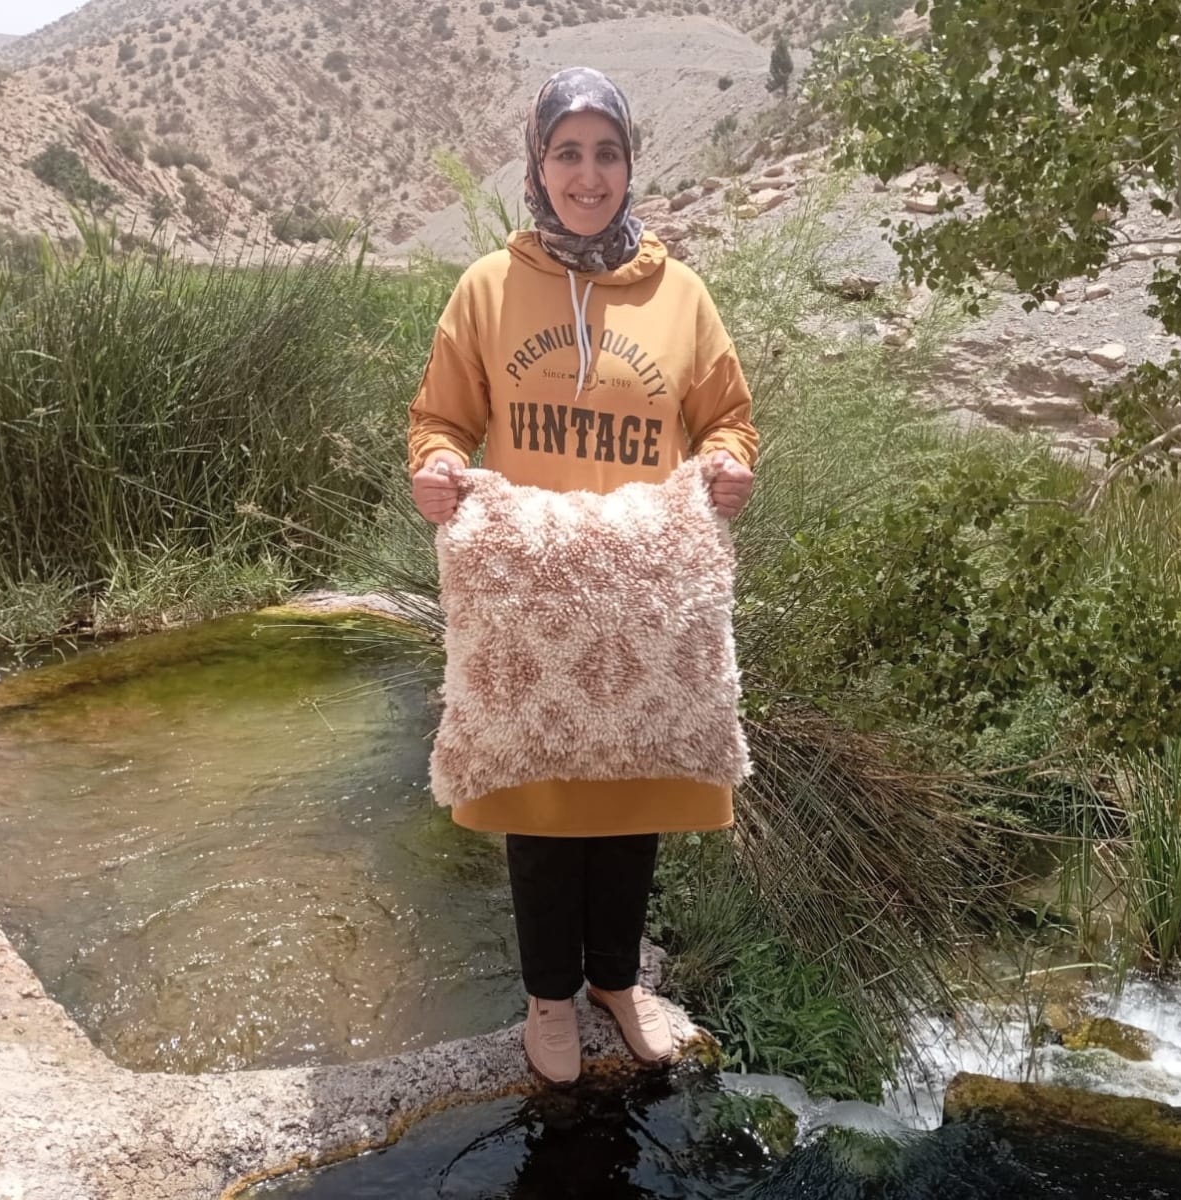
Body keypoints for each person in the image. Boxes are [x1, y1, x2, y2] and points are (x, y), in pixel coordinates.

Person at [407, 66, 758, 1086]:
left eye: (606, 153)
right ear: (537, 164)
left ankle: (616, 978)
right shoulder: (487, 287)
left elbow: (725, 415)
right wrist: (434, 468)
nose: (588, 174)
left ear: (629, 165)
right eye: (568, 152)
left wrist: (731, 465)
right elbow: (440, 418)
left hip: (640, 604)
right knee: (542, 805)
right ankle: (547, 999)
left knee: (632, 797)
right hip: (531, 603)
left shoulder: (678, 293)